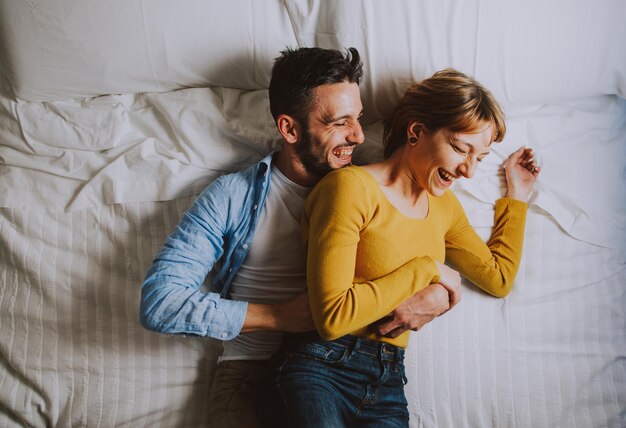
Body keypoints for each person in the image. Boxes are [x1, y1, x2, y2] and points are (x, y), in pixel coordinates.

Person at [139, 47, 452, 428]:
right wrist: (279, 316)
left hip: (350, 367)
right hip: (250, 376)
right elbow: (161, 302)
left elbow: (432, 231)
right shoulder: (233, 196)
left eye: (359, 118)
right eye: (340, 122)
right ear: (289, 128)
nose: (356, 135)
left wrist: (443, 291)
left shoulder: (373, 182)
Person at [259, 68, 541, 427]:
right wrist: (428, 270)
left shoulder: (444, 208)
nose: (468, 171)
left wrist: (517, 195)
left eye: (480, 158)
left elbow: (498, 278)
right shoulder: (349, 188)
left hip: (387, 382)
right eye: (460, 148)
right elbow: (333, 317)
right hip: (319, 368)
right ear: (417, 131)